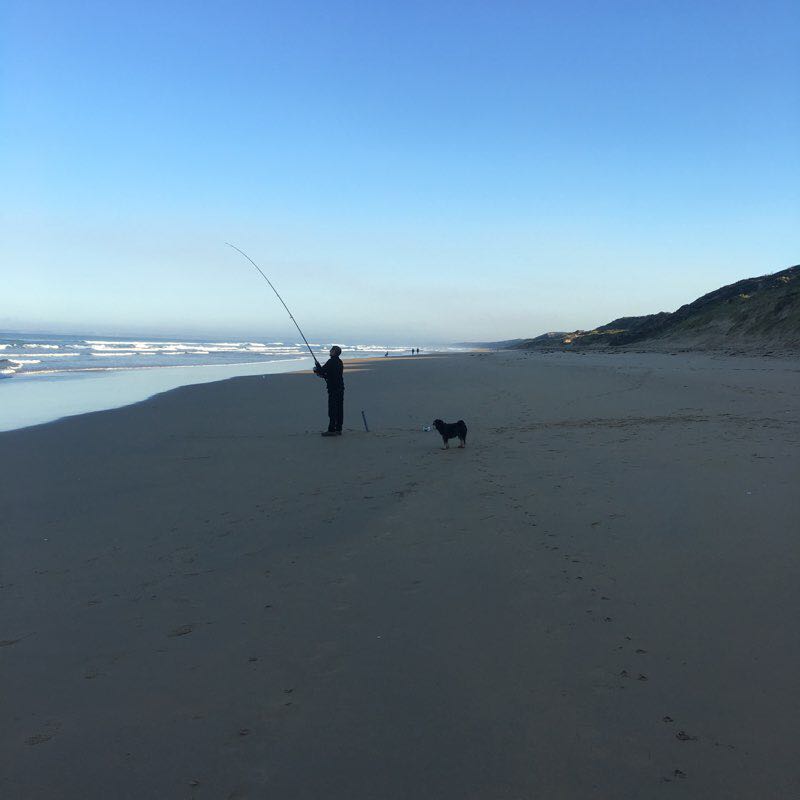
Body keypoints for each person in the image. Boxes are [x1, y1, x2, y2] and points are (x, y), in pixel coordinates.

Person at [313, 345, 344, 436]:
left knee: (332, 410)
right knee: (339, 409)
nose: (330, 351)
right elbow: (329, 373)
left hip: (333, 388)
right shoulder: (340, 362)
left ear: (334, 352)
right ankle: (338, 429)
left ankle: (331, 430)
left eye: (331, 350)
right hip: (340, 387)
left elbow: (322, 371)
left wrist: (316, 368)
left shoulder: (331, 361)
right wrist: (319, 369)